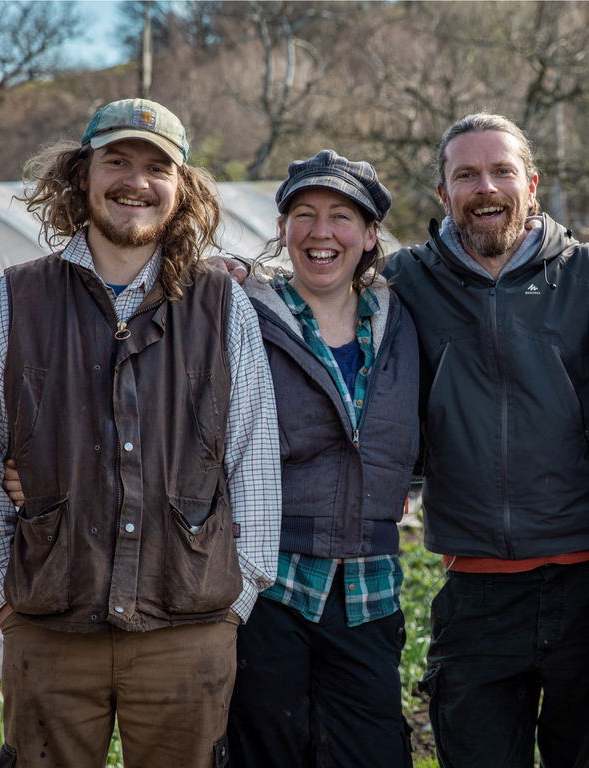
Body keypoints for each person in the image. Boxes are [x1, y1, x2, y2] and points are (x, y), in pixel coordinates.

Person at [0, 97, 281, 768]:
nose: (135, 181)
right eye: (116, 161)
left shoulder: (222, 303)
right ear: (81, 174)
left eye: (157, 167)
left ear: (181, 187)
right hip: (48, 624)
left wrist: (238, 600)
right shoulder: (12, 300)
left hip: (188, 627)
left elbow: (253, 457)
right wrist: (3, 594)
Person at [385, 113, 589, 768]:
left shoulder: (585, 279)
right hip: (473, 593)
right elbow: (312, 281)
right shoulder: (402, 282)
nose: (486, 186)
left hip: (584, 585)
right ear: (443, 194)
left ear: (529, 184)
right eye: (466, 174)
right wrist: (233, 273)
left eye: (501, 170)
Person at [226, 150, 419, 767]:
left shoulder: (406, 319)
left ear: (368, 236)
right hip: (270, 584)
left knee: (373, 753)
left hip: (370, 588)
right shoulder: (242, 315)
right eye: (303, 214)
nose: (320, 231)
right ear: (283, 231)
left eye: (341, 215)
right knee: (268, 751)